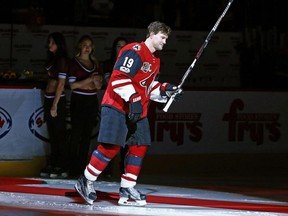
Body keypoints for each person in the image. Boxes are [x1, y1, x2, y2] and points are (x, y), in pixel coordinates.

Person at [74, 21, 183, 206]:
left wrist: (166, 90)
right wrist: (133, 99)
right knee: (111, 147)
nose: (165, 42)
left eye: (166, 39)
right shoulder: (135, 51)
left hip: (137, 109)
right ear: (152, 34)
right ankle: (85, 180)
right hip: (116, 106)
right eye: (163, 37)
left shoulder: (155, 60)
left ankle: (127, 186)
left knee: (139, 146)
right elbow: (118, 79)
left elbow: (147, 87)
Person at [68, 35, 103, 177]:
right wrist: (89, 79)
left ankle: (83, 168)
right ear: (80, 47)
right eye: (84, 45)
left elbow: (99, 86)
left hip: (91, 101)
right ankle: (71, 167)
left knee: (87, 136)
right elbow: (72, 85)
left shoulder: (96, 64)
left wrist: (94, 82)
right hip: (78, 100)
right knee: (76, 134)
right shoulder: (74, 63)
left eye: (90, 45)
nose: (87, 48)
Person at [40, 32, 69, 179]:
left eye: (51, 42)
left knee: (59, 133)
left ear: (58, 43)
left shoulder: (62, 60)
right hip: (48, 98)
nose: (49, 45)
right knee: (52, 133)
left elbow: (61, 84)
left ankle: (62, 164)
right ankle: (53, 162)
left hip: (57, 101)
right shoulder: (53, 59)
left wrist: (55, 105)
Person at [101, 36, 129, 177]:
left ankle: (125, 172)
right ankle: (105, 170)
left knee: (126, 141)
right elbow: (109, 82)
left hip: (127, 107)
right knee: (109, 140)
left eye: (124, 46)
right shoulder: (108, 64)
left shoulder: (134, 64)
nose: (121, 49)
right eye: (119, 46)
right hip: (112, 105)